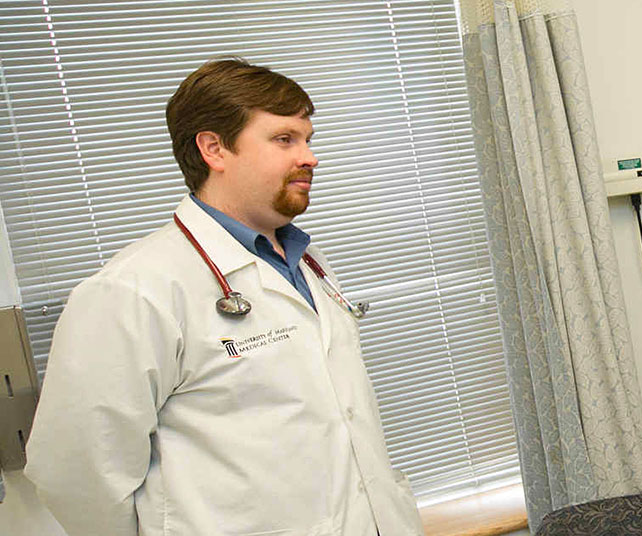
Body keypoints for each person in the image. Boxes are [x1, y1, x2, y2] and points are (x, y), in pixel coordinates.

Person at [24, 58, 422, 535]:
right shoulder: (134, 290)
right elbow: (75, 473)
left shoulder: (304, 260)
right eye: (284, 139)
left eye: (308, 139)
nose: (310, 157)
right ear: (214, 148)